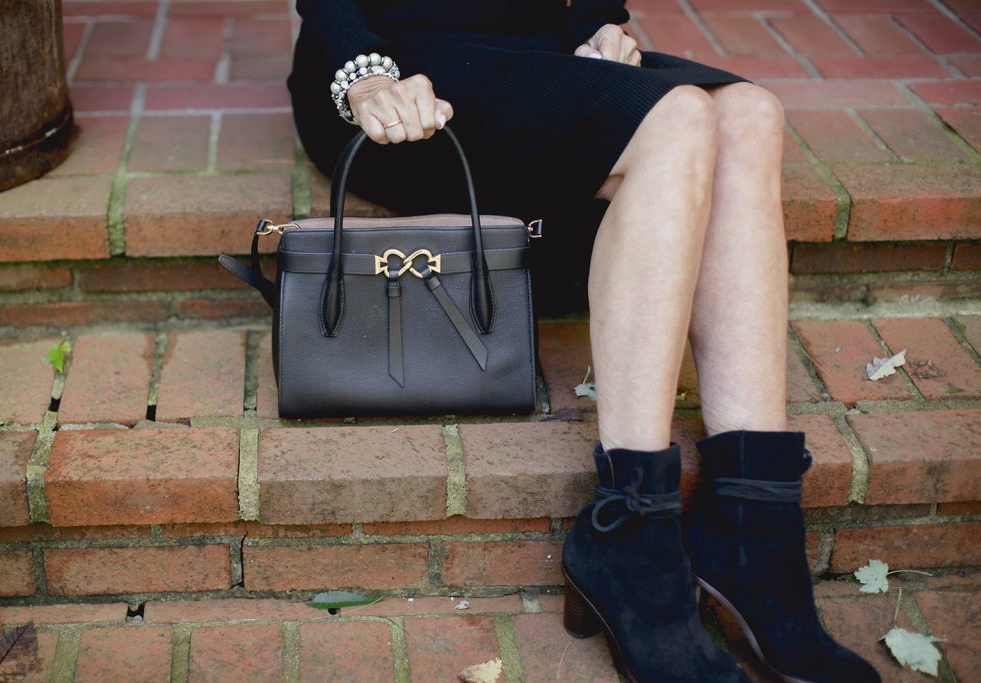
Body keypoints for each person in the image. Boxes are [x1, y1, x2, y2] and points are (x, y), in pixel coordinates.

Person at [288, 2, 881, 681]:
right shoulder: (374, 71)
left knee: (750, 114)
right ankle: (629, 530)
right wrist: (365, 77)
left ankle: (753, 529)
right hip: (402, 66)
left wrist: (601, 26)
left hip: (539, 52)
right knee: (679, 120)